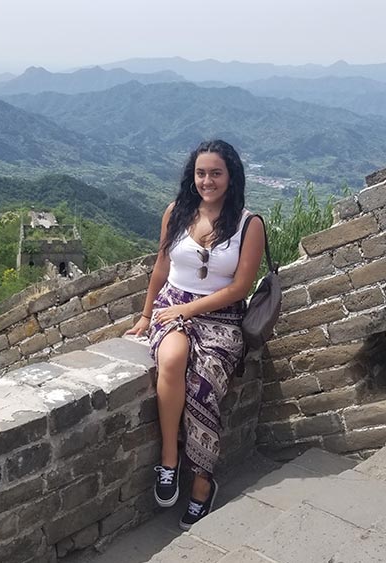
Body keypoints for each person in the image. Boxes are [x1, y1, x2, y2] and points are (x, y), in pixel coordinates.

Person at [125, 139, 265, 530]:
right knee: (171, 359)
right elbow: (160, 266)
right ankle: (169, 460)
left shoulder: (248, 224)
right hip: (172, 306)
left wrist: (189, 309)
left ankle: (202, 483)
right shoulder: (177, 212)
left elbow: (240, 287)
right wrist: (146, 313)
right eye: (201, 173)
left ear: (230, 176)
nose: (207, 181)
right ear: (193, 176)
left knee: (204, 384)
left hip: (220, 318)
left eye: (215, 173)